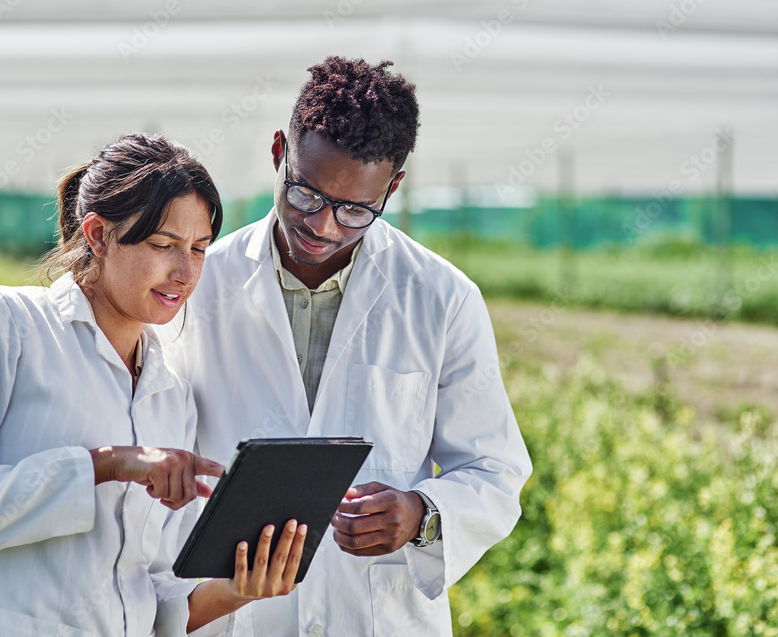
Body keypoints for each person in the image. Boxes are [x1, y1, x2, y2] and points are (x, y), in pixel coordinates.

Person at [159, 58, 532, 636]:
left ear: (394, 186)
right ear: (280, 149)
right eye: (306, 194)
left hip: (374, 615)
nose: (325, 226)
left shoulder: (441, 298)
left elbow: (494, 468)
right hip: (233, 613)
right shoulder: (197, 284)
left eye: (356, 209)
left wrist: (420, 515)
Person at [0, 133, 306, 637]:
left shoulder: (170, 390)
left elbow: (151, 592)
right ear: (96, 234)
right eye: (163, 245)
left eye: (200, 249)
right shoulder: (1, 327)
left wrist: (239, 588)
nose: (185, 272)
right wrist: (105, 464)